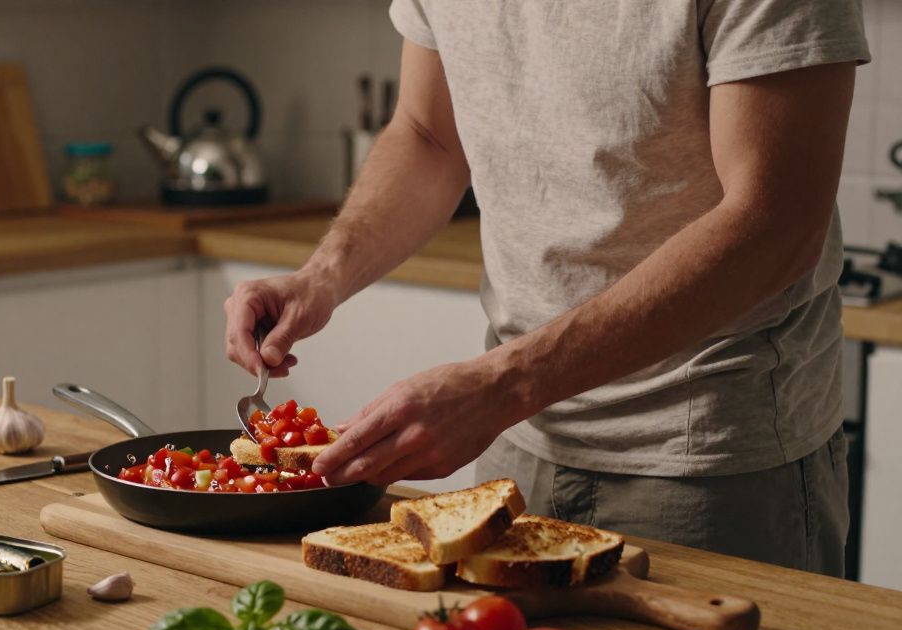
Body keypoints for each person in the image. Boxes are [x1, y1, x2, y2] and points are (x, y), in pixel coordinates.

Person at [222, 1, 870, 576]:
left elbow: (775, 224)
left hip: (705, 459)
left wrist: (502, 385)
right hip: (518, 446)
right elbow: (427, 135)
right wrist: (321, 277)